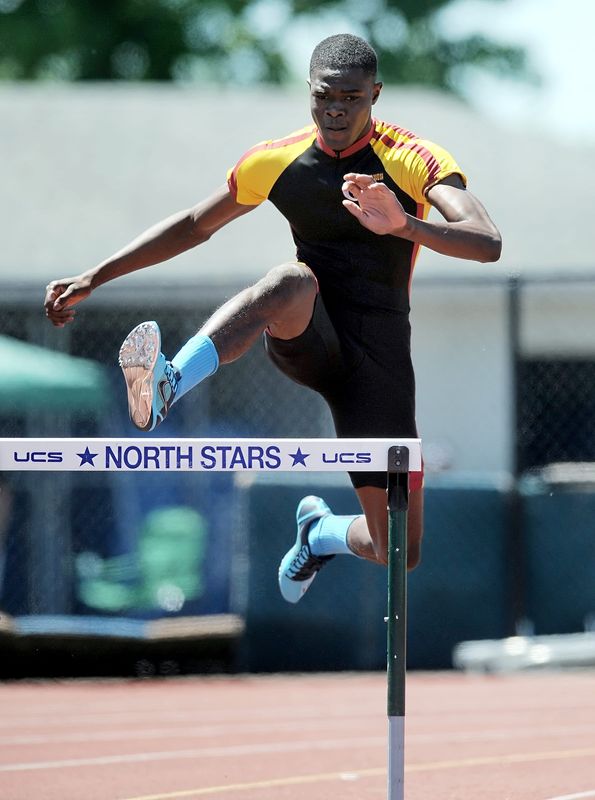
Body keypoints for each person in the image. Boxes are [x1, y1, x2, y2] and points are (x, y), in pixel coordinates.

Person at [44, 34, 501, 605]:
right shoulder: (275, 159)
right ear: (307, 93)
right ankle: (168, 381)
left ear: (376, 95)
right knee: (293, 279)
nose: (335, 109)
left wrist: (405, 225)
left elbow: (486, 242)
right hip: (307, 334)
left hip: (377, 365)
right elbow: (193, 223)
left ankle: (320, 535)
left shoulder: (411, 159)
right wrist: (96, 275)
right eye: (323, 96)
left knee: (400, 551)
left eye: (351, 98)